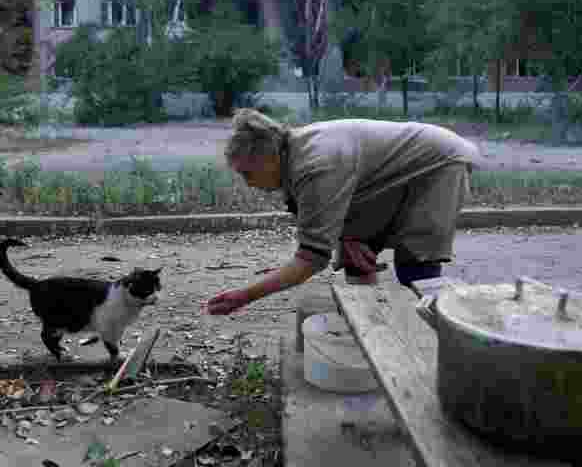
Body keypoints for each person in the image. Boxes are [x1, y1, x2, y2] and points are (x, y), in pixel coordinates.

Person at [205, 108, 479, 316]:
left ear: (268, 158)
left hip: (439, 165)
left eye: (247, 173)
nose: (248, 183)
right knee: (354, 251)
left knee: (415, 269)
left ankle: (455, 332)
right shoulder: (293, 153)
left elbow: (311, 259)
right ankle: (373, 325)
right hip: (388, 177)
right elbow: (326, 221)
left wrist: (246, 296)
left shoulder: (313, 165)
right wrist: (348, 236)